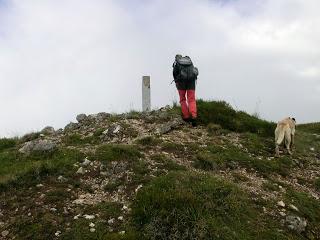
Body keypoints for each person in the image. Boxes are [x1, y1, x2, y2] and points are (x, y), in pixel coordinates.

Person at [172, 54, 199, 126]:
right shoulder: (189, 62)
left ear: (176, 58)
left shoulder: (177, 63)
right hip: (191, 82)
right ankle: (194, 117)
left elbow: (174, 74)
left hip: (181, 83)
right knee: (191, 99)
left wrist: (176, 82)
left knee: (182, 99)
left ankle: (186, 117)